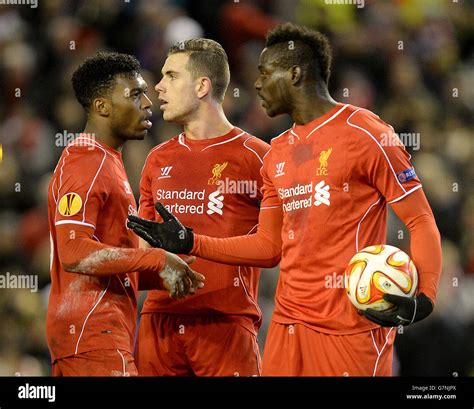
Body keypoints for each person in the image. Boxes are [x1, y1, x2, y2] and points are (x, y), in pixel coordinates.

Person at [128, 24, 442, 376]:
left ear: (294, 73)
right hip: (286, 324)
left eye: (264, 73)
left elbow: (420, 221)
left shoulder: (368, 134)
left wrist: (425, 296)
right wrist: (191, 241)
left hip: (350, 323)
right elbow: (267, 246)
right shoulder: (277, 153)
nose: (256, 84)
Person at [47, 52, 204, 377]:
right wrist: (156, 259)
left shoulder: (106, 160)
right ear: (102, 106)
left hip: (92, 335)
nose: (148, 102)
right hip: (94, 334)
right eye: (135, 94)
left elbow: (105, 263)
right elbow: (73, 252)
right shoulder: (85, 162)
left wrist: (162, 272)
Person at [127, 38, 270, 376]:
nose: (158, 87)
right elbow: (144, 249)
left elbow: (277, 246)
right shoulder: (157, 159)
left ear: (202, 86)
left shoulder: (258, 158)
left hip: (225, 323)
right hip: (158, 323)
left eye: (171, 76)